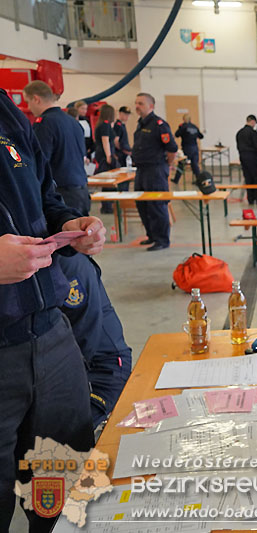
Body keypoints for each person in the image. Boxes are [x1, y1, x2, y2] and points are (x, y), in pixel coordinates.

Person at [0, 87, 106, 533]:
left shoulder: (7, 113)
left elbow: (44, 194)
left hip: (48, 335)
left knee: (64, 495)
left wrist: (69, 226)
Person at [58, 253, 132, 431]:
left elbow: (85, 335)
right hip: (79, 364)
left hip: (102, 370)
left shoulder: (65, 261)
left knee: (59, 440)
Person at [23, 81, 91, 216]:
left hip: (61, 194)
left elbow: (40, 163)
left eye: (28, 102)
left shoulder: (44, 124)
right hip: (81, 191)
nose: (29, 108)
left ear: (36, 99)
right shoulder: (73, 122)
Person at [131, 92, 178, 251]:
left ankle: (162, 240)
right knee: (142, 204)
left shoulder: (159, 124)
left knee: (157, 205)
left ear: (151, 106)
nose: (137, 106)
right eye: (136, 103)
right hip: (141, 170)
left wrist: (166, 165)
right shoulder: (141, 124)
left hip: (155, 169)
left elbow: (172, 148)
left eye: (141, 104)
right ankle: (151, 235)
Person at [236, 114, 257, 206]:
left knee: (248, 178)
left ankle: (250, 198)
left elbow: (238, 146)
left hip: (243, 158)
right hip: (254, 159)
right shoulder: (253, 133)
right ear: (252, 121)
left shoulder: (239, 133)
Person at [94, 104, 119, 214]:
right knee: (108, 181)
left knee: (109, 180)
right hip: (105, 154)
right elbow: (106, 141)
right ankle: (107, 206)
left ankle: (108, 205)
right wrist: (109, 156)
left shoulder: (104, 125)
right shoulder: (105, 125)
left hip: (103, 153)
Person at [173, 113, 204, 184]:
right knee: (195, 165)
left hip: (187, 148)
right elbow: (201, 136)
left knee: (181, 163)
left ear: (184, 119)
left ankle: (176, 179)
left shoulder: (183, 126)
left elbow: (177, 134)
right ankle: (198, 180)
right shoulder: (195, 127)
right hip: (195, 148)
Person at [113, 105, 133, 176]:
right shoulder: (118, 125)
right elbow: (116, 141)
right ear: (120, 113)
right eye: (125, 114)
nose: (127, 116)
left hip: (125, 152)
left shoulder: (122, 125)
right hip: (121, 153)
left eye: (128, 115)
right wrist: (124, 151)